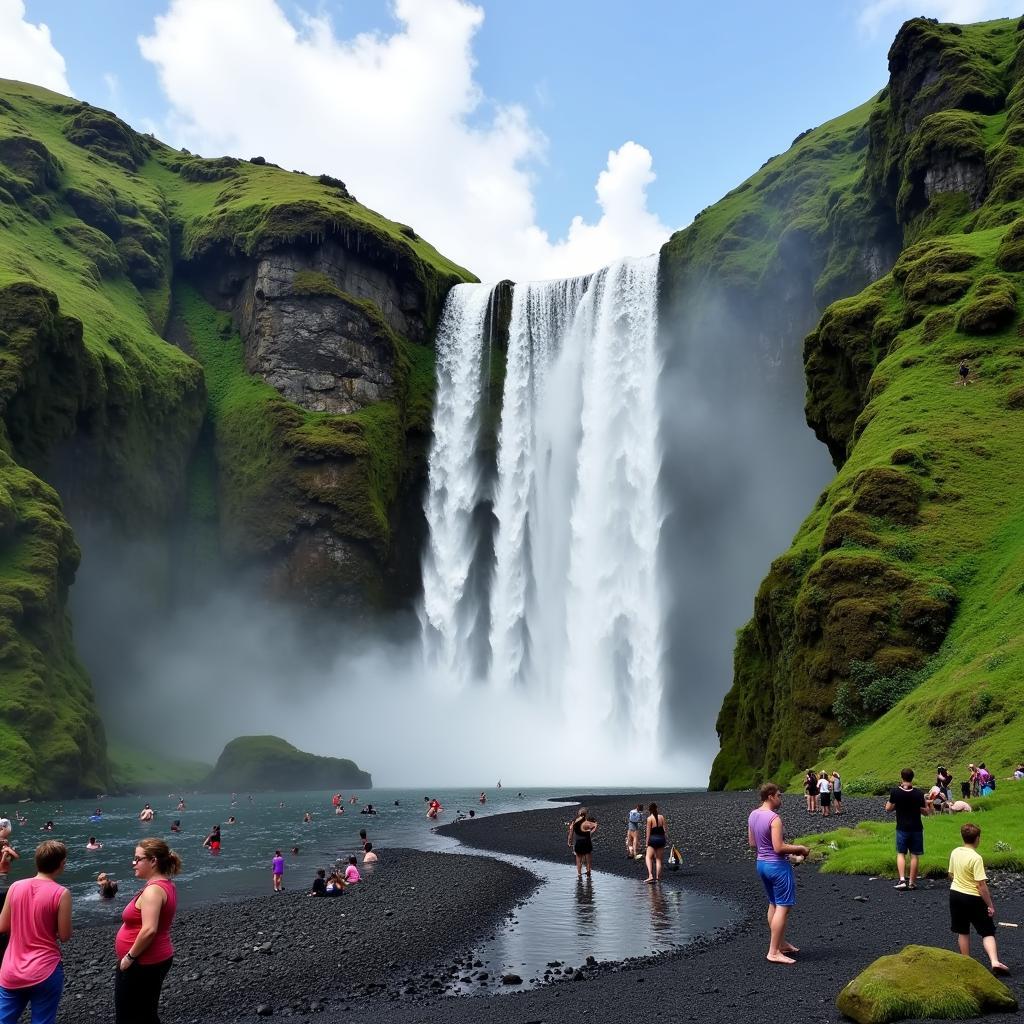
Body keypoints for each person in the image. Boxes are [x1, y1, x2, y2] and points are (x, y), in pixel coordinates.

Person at [0, 840, 72, 1024]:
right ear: (62, 863)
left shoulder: (15, 886)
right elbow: (64, 936)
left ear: (37, 861)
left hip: (12, 969)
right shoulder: (61, 893)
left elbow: (2, 926)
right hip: (45, 970)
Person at [115, 838, 180, 1024]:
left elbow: (149, 929)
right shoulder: (165, 885)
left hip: (143, 962)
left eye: (137, 859)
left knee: (129, 1017)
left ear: (153, 861)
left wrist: (129, 957)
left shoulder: (153, 891)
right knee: (145, 1014)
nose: (133, 863)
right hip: (152, 960)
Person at [747, 784, 809, 965]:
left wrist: (787, 851)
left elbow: (753, 843)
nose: (780, 799)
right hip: (777, 867)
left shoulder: (753, 814)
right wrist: (801, 848)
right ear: (771, 796)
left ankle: (780, 944)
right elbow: (778, 847)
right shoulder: (774, 818)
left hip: (762, 864)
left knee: (774, 903)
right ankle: (773, 951)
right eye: (779, 796)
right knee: (783, 906)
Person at [948, 822, 1009, 974]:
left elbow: (951, 874)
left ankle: (966, 961)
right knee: (987, 931)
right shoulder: (976, 858)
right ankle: (994, 961)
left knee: (962, 931)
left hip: (955, 894)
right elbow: (981, 885)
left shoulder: (955, 852)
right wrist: (990, 905)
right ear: (977, 839)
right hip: (973, 897)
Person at [885, 767, 930, 890]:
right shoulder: (919, 793)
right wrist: (922, 805)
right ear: (912, 777)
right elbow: (926, 812)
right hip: (916, 827)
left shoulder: (895, 792)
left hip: (902, 827)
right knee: (914, 855)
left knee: (901, 853)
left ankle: (902, 880)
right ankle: (912, 882)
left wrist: (896, 805)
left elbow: (888, 808)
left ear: (901, 777)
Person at [567, 808, 598, 879]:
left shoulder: (574, 821)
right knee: (588, 858)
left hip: (578, 842)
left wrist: (569, 841)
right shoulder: (587, 822)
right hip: (587, 841)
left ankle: (579, 874)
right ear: (586, 814)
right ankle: (588, 872)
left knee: (578, 858)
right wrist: (591, 832)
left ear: (579, 813)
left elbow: (571, 833)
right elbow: (594, 826)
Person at [644, 803, 667, 884]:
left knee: (648, 857)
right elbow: (664, 830)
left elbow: (648, 833)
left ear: (649, 810)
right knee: (658, 860)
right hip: (661, 839)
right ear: (657, 808)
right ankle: (658, 878)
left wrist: (647, 843)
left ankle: (650, 876)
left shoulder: (649, 819)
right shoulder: (661, 817)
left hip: (653, 839)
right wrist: (664, 839)